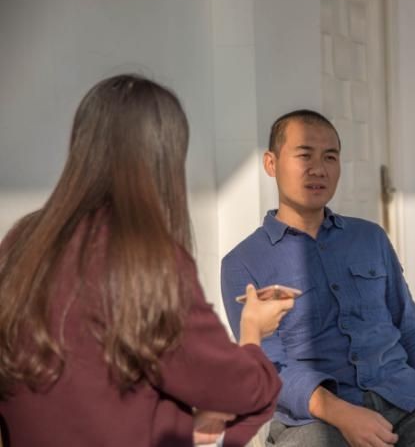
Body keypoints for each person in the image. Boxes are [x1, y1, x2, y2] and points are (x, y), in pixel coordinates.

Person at [0, 74, 294, 447]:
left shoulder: (23, 242)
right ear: (165, 159)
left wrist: (181, 422)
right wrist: (252, 330)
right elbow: (240, 388)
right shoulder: (145, 258)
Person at [221, 110, 415, 446]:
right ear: (271, 164)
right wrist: (341, 413)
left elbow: (408, 324)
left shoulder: (370, 238)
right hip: (315, 419)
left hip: (408, 401)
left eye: (330, 157)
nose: (318, 169)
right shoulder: (243, 263)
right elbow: (267, 364)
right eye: (304, 155)